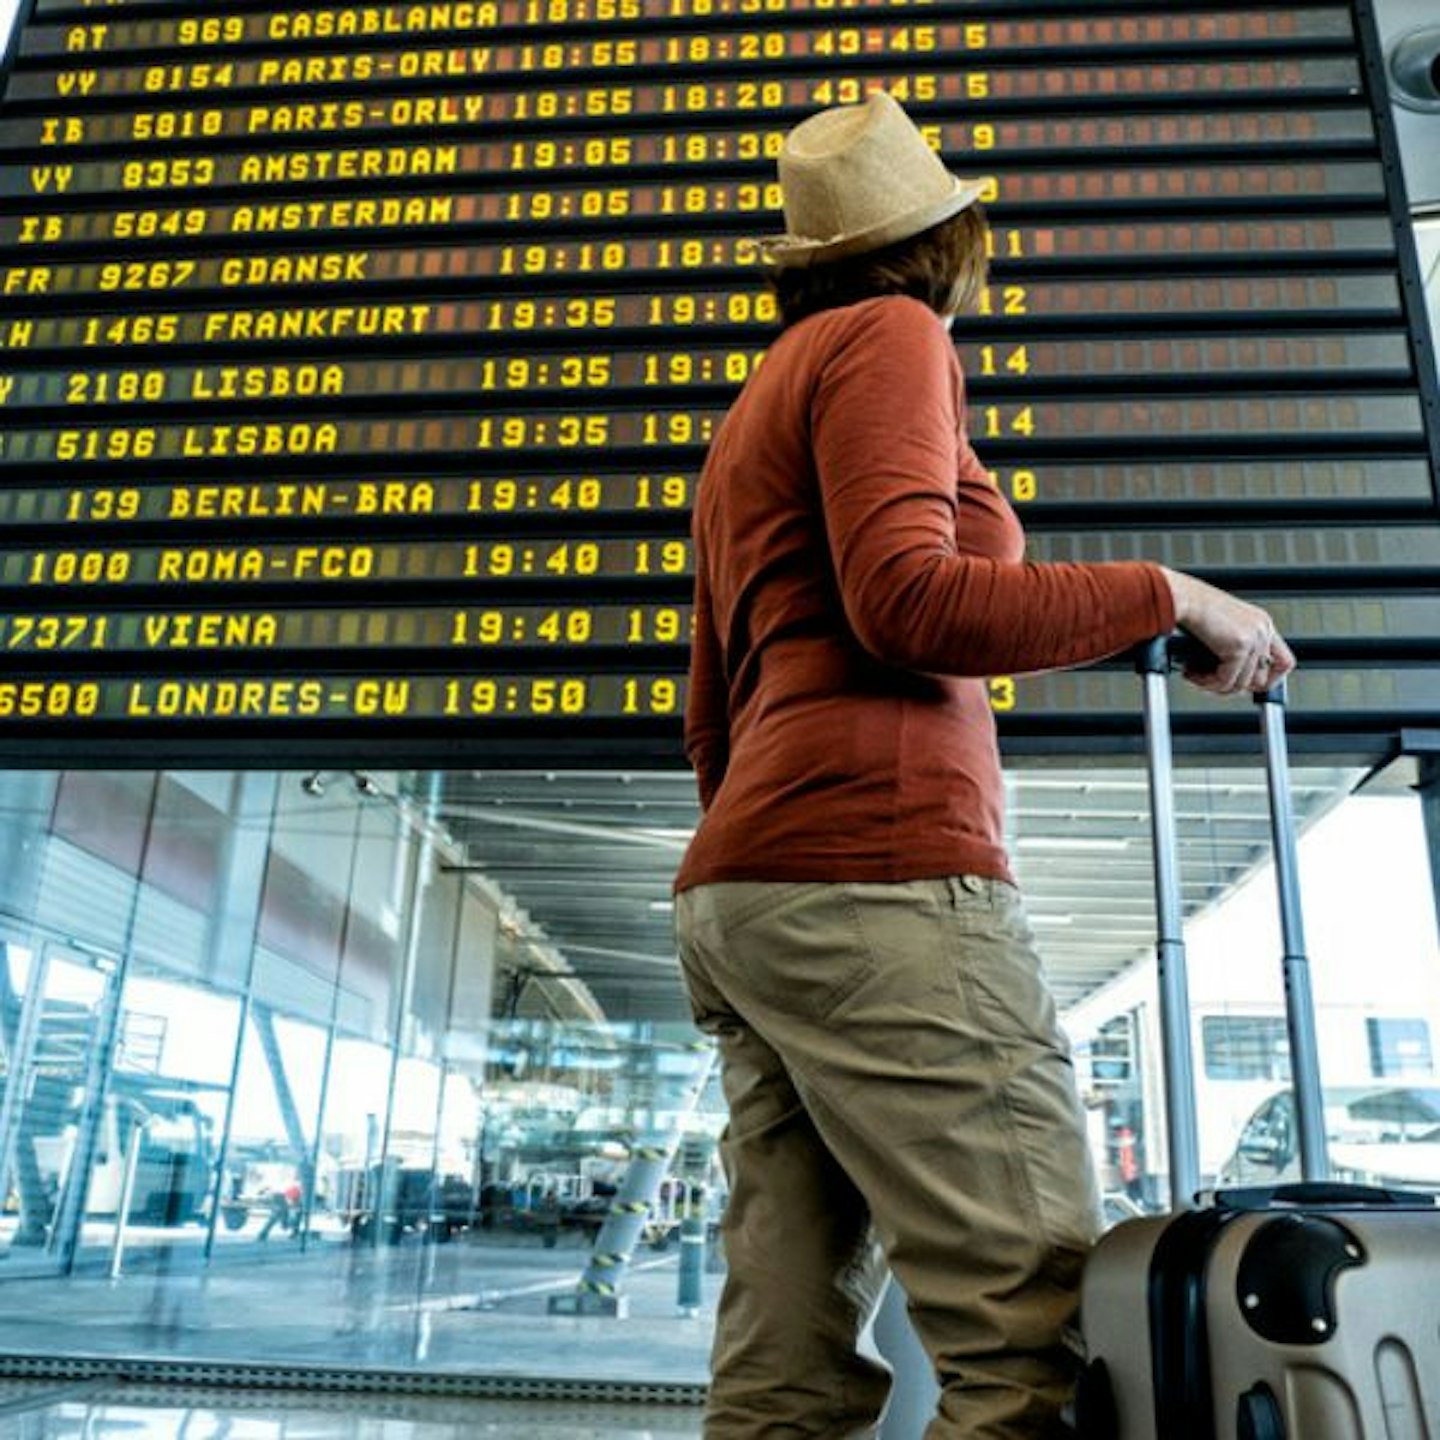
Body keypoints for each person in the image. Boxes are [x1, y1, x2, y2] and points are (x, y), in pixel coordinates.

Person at [672, 91, 1294, 1440]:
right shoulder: (893, 337)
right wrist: (1172, 592)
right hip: (880, 876)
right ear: (956, 239)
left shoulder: (755, 408)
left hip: (751, 889)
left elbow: (712, 711)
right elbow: (912, 603)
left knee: (785, 1362)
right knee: (1035, 1339)